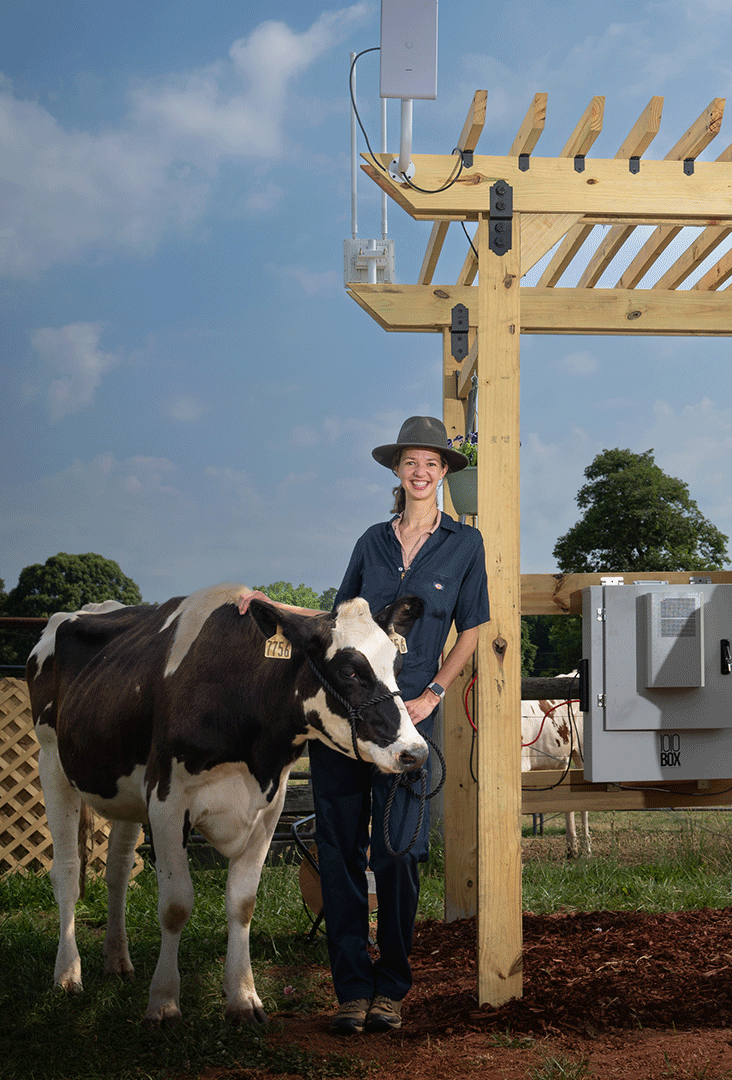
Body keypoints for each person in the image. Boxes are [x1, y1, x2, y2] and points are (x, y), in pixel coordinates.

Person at [240, 414, 488, 1035]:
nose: (421, 472)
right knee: (340, 853)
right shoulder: (370, 541)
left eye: (432, 463)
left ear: (445, 474)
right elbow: (336, 620)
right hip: (347, 724)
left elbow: (476, 631)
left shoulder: (465, 547)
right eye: (411, 462)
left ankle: (392, 990)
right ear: (397, 472)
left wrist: (433, 692)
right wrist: (266, 603)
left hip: (408, 725)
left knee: (400, 854)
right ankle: (351, 990)